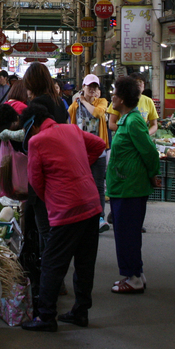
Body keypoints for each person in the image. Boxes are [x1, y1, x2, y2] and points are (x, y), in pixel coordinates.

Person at [19, 103, 106, 332]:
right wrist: (81, 165)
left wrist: (51, 195)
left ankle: (46, 316)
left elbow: (35, 181)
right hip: (91, 204)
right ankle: (80, 312)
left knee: (52, 263)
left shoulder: (36, 142)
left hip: (66, 208)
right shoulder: (73, 130)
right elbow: (99, 144)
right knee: (85, 262)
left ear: (34, 124)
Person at [105, 76, 160, 293]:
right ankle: (135, 273)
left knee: (127, 234)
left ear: (123, 99)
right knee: (127, 233)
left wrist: (153, 175)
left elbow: (149, 152)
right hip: (123, 187)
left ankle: (133, 278)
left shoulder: (135, 121)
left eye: (115, 94)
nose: (112, 97)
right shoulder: (126, 119)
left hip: (130, 189)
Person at [68, 75, 111, 232]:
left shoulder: (102, 102)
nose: (92, 90)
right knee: (81, 184)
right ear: (83, 87)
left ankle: (100, 218)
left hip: (99, 151)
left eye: (95, 87)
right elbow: (70, 115)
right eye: (89, 87)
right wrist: (78, 100)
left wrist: (84, 101)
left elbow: (98, 114)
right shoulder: (75, 104)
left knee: (99, 185)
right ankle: (82, 216)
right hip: (80, 151)